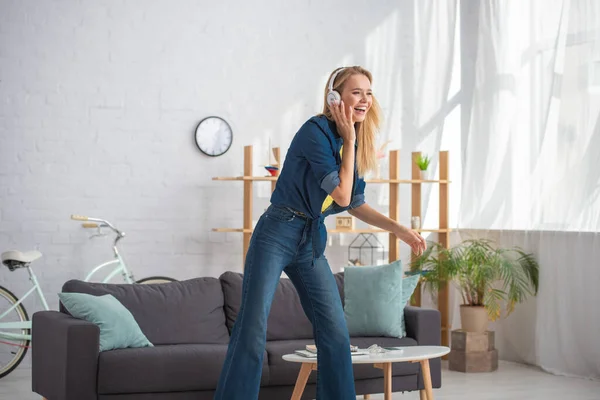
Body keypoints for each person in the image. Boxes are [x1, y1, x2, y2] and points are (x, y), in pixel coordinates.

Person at [214, 66, 427, 400]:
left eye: (368, 93)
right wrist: (351, 139)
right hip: (276, 232)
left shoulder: (350, 145)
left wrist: (400, 230)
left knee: (335, 333)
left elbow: (354, 203)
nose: (365, 100)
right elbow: (341, 196)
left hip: (309, 241)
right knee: (252, 328)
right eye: (357, 92)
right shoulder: (315, 132)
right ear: (334, 97)